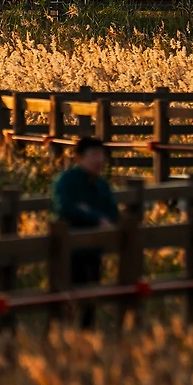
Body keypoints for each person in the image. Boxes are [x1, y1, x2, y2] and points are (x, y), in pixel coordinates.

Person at [51, 136, 119, 328]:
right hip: (69, 251)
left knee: (90, 298)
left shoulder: (102, 185)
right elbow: (65, 208)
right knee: (68, 298)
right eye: (94, 155)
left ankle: (87, 336)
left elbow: (113, 214)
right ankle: (63, 335)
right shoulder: (66, 181)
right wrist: (95, 217)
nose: (100, 160)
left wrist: (87, 212)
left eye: (102, 155)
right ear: (79, 157)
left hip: (93, 250)